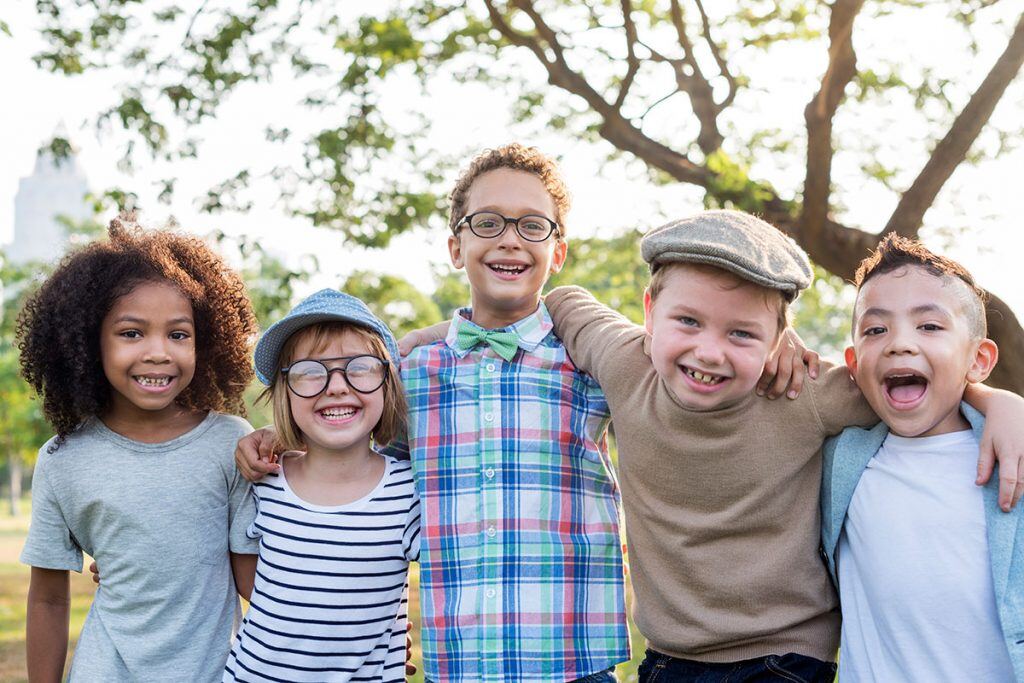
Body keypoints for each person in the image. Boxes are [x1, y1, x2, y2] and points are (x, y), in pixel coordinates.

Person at [238, 148, 814, 682]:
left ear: (557, 250)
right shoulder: (408, 376)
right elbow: (346, 444)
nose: (509, 240)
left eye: (532, 226)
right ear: (455, 247)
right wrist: (276, 440)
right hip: (460, 661)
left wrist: (781, 345)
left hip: (573, 659)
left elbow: (703, 352)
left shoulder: (595, 361)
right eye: (487, 223)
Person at [541, 210, 1024, 682]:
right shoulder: (626, 363)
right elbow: (564, 301)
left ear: (777, 342)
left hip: (785, 657)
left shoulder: (800, 392)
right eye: (687, 321)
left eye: (742, 333)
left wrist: (995, 400)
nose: (709, 351)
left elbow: (904, 390)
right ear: (649, 311)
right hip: (668, 658)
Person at [18, 213, 260, 682]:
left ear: (205, 343)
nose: (158, 352)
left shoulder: (230, 442)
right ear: (90, 343)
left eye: (178, 334)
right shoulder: (62, 460)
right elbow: (48, 596)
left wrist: (363, 639)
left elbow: (256, 583)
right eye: (131, 333)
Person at [821, 235, 1023, 682]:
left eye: (929, 326)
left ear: (979, 359)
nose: (899, 343)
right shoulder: (840, 462)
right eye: (876, 329)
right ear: (853, 364)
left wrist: (1002, 403)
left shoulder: (1012, 457)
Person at [224, 288, 420, 682]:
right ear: (285, 391)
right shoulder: (261, 483)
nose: (336, 386)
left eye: (360, 367)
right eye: (310, 371)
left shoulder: (411, 493)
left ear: (388, 382)